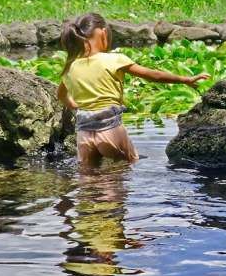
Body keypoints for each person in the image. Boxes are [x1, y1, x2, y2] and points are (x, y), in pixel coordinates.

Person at [57, 13, 209, 166]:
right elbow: (154, 76)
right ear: (103, 33)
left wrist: (76, 106)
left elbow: (61, 95)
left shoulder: (71, 66)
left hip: (84, 133)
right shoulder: (114, 59)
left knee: (87, 179)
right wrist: (186, 79)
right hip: (111, 129)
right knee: (130, 164)